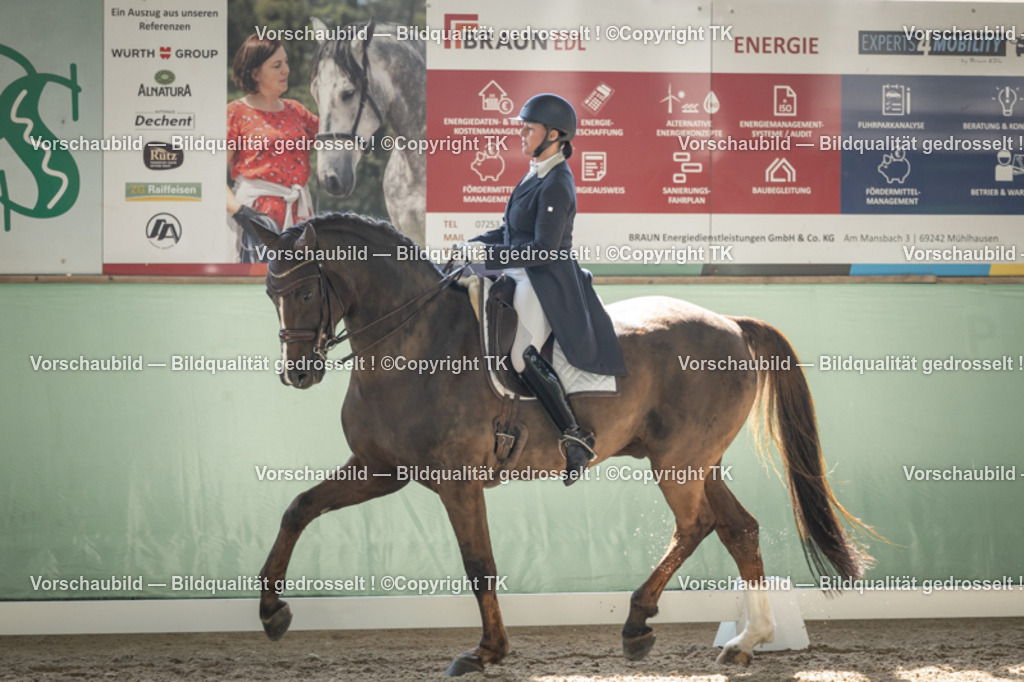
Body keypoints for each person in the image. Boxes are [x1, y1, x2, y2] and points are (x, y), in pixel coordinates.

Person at [468, 93, 627, 486]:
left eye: (529, 128)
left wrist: (493, 256)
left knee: (522, 356)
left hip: (544, 279)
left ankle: (574, 436)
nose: (521, 134)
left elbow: (543, 249)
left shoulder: (557, 181)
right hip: (520, 270)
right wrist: (474, 245)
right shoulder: (535, 170)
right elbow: (510, 231)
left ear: (553, 134)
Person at [226, 35, 319, 262]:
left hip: (298, 218)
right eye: (277, 65)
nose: (286, 70)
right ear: (255, 73)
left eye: (285, 63)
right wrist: (241, 213)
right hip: (255, 220)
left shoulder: (298, 111)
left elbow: (336, 142)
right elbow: (210, 178)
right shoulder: (235, 112)